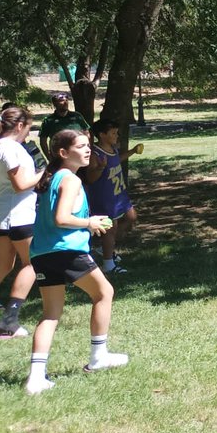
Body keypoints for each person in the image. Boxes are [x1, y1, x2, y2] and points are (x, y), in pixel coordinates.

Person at [25, 129, 127, 394]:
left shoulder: (52, 178)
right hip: (66, 251)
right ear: (63, 153)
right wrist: (89, 222)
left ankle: (36, 378)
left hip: (42, 254)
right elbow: (62, 219)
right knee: (105, 293)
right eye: (81, 146)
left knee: (50, 314)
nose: (88, 150)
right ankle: (98, 356)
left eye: (88, 145)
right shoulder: (69, 180)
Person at [0, 106, 44, 338]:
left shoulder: (2, 146)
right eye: (28, 129)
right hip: (16, 215)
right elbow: (20, 184)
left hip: (4, 214)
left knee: (2, 266)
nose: (28, 134)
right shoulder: (9, 147)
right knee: (31, 263)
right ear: (20, 126)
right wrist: (45, 174)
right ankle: (8, 321)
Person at [84, 118, 143, 275]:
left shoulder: (112, 148)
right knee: (111, 228)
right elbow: (90, 178)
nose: (117, 135)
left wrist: (132, 151)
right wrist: (100, 168)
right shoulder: (95, 154)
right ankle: (108, 264)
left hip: (119, 194)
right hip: (104, 197)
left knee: (131, 217)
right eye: (113, 133)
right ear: (102, 135)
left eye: (117, 132)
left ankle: (106, 248)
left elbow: (117, 159)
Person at [39, 91, 90, 161]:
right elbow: (43, 140)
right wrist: (48, 156)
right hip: (59, 156)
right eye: (61, 101)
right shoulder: (49, 120)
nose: (65, 103)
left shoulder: (77, 116)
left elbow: (86, 133)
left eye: (67, 100)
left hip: (78, 154)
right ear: (55, 104)